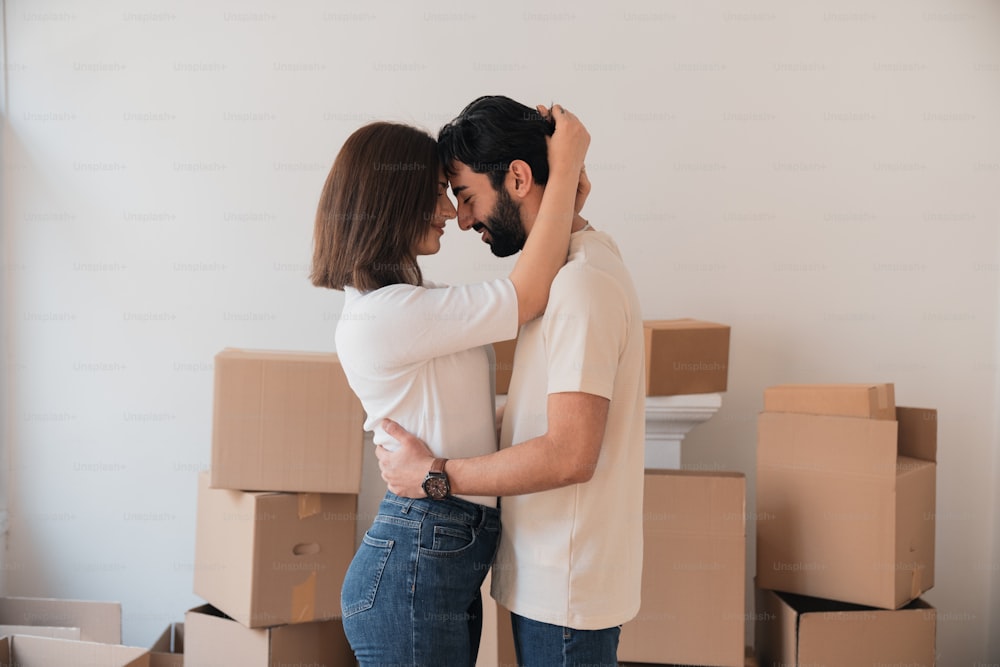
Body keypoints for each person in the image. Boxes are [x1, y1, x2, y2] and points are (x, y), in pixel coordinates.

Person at [310, 104, 590, 666]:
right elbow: (528, 294)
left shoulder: (409, 305)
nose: (448, 212)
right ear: (391, 201)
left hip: (437, 550)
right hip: (420, 553)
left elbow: (534, 275)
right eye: (438, 192)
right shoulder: (387, 315)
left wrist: (562, 204)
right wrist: (564, 167)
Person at [376, 95, 646, 667]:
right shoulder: (569, 274)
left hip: (564, 591)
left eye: (468, 196)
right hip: (553, 582)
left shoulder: (580, 285)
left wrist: (435, 477)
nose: (464, 219)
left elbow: (571, 453)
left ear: (518, 178)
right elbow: (540, 420)